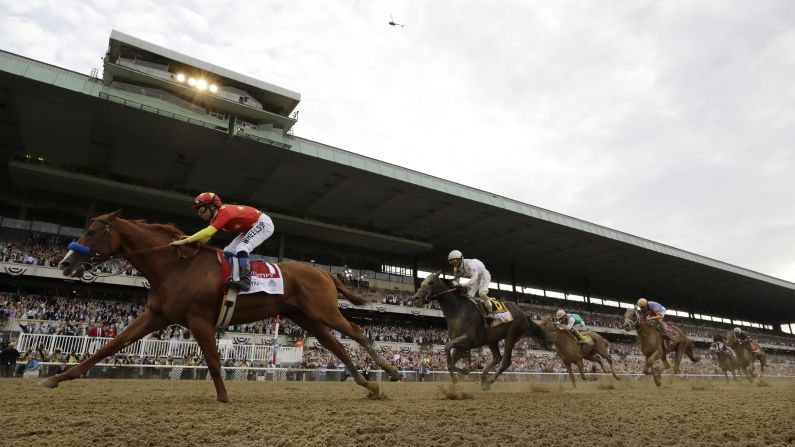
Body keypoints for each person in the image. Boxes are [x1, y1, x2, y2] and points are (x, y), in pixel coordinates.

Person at [171, 192, 275, 291]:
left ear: (212, 207)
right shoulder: (216, 217)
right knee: (228, 251)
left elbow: (207, 233)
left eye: (201, 209)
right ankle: (235, 276)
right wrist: (189, 240)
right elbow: (206, 239)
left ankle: (246, 280)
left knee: (242, 248)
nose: (200, 214)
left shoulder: (224, 212)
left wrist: (186, 241)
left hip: (263, 223)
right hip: (252, 226)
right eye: (198, 211)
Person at [447, 250, 495, 320]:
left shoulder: (470, 264)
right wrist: (454, 285)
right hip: (475, 278)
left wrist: (462, 285)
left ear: (460, 259)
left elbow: (474, 279)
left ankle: (491, 312)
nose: (453, 264)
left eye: (454, 261)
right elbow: (456, 281)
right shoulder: (455, 269)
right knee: (469, 296)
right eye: (451, 262)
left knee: (482, 293)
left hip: (483, 276)